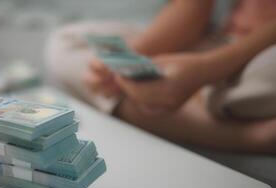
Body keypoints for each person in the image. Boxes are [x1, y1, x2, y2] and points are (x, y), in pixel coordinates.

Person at [45, 0, 276, 153]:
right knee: (67, 42)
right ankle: (244, 134)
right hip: (212, 41)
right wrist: (136, 56)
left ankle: (184, 97)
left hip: (261, 56)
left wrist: (207, 69)